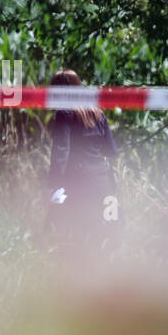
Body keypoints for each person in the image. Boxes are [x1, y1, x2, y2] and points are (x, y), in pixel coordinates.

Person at [45, 69, 121, 243]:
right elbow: (112, 151)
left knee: (74, 237)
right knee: (103, 235)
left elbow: (61, 152)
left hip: (78, 183)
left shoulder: (64, 113)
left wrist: (53, 185)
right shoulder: (97, 112)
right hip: (102, 181)